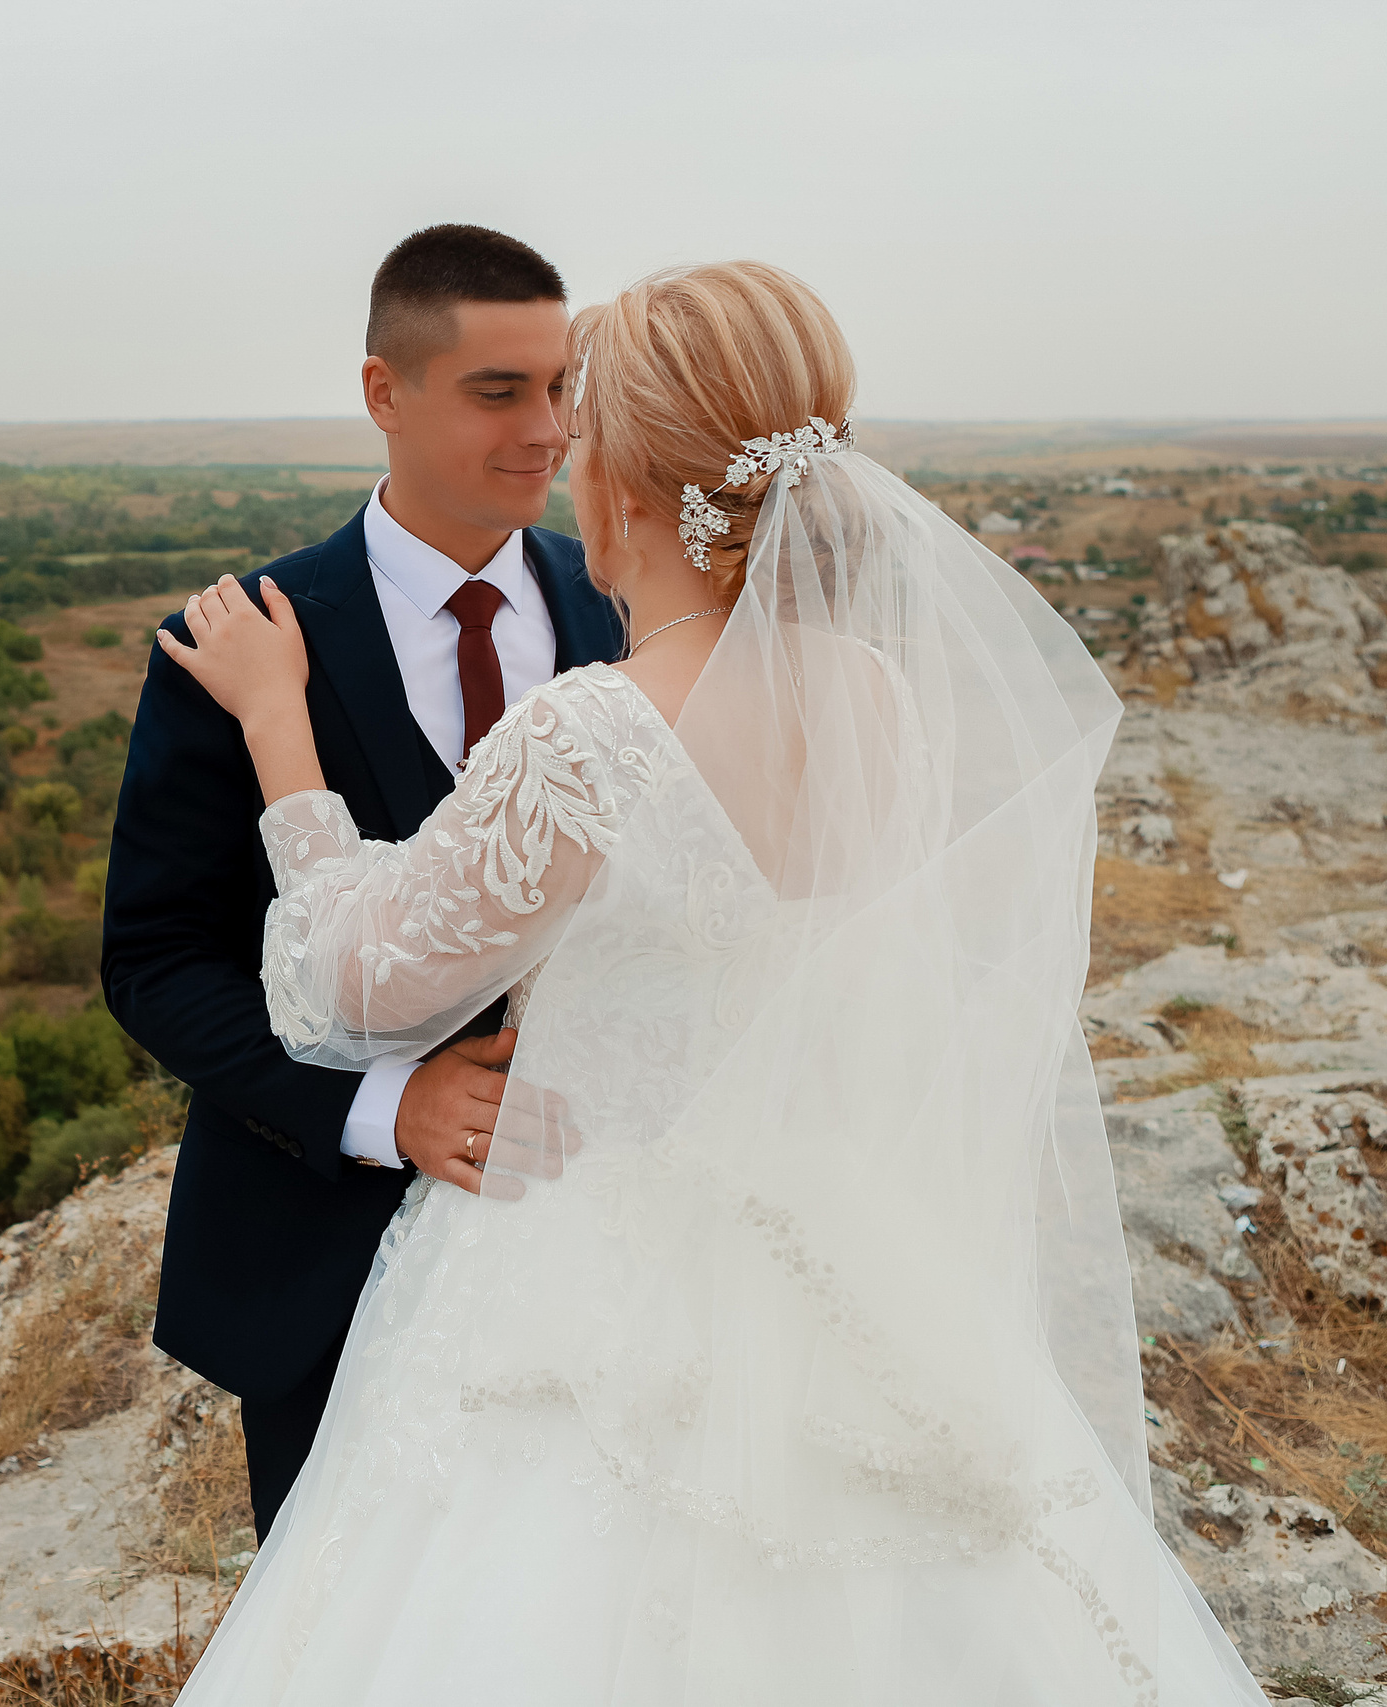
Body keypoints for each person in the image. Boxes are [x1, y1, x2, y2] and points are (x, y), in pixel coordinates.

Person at [153, 262, 1264, 1703]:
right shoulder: (872, 696)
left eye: (581, 422)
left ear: (631, 478)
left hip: (581, 1271)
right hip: (828, 1260)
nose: (560, 452)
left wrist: (276, 729)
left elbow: (349, 985)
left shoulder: (594, 734)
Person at [100, 225, 622, 1541]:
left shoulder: (631, 609)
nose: (547, 430)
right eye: (499, 392)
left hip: (603, 1241)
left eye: (562, 387)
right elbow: (158, 959)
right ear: (384, 392)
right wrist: (379, 1107)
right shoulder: (237, 644)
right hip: (320, 1262)